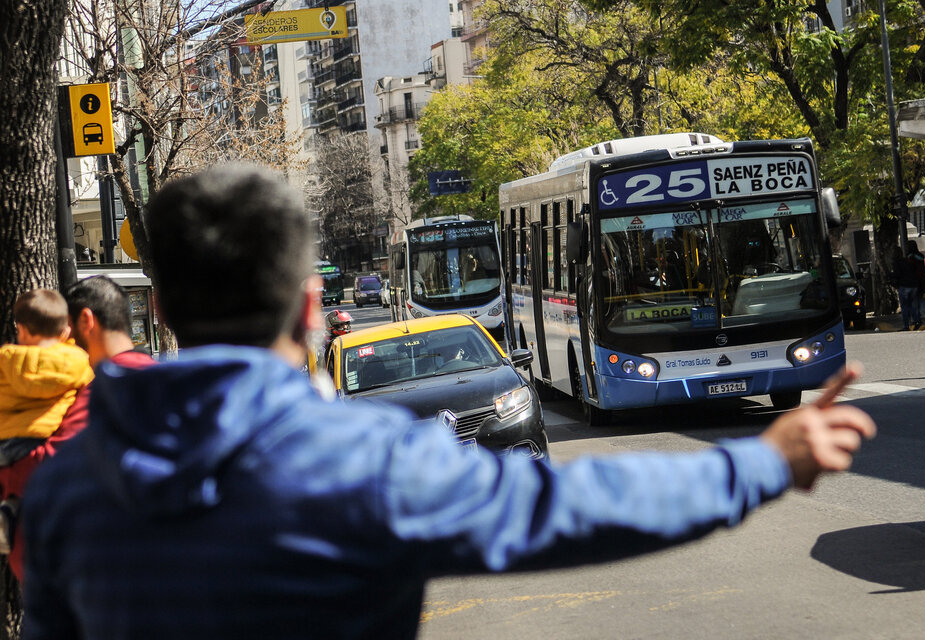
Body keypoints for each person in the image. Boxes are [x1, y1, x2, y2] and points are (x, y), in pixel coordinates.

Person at [21, 164, 875, 640]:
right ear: (314, 309)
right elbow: (575, 507)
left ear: (161, 310)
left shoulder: (65, 482)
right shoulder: (359, 462)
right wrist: (764, 462)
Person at [0, 277, 154, 580]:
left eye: (64, 333)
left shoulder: (106, 386)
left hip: (82, 570)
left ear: (85, 320)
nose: (62, 345)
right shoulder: (152, 376)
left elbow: (46, 463)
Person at [0, 290, 94, 555]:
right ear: (65, 331)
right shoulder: (78, 364)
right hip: (48, 442)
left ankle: (10, 509)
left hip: (7, 447)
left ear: (21, 329)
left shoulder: (6, 362)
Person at [890, 246, 920, 331]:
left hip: (904, 285)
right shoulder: (907, 260)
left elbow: (897, 274)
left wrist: (890, 275)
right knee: (911, 305)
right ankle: (916, 320)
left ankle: (906, 325)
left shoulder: (896, 262)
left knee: (905, 306)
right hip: (913, 285)